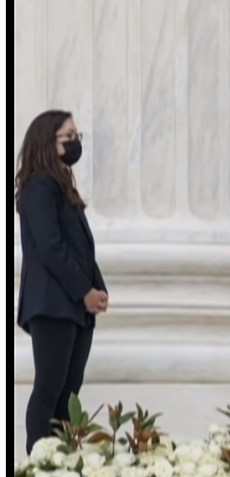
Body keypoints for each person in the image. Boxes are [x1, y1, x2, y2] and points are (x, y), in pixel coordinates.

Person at [15, 110, 109, 453]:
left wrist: (97, 288)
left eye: (77, 136)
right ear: (46, 140)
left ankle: (62, 458)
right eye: (68, 136)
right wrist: (84, 292)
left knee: (69, 392)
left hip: (74, 304)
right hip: (53, 303)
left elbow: (82, 248)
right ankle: (40, 460)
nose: (75, 143)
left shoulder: (61, 186)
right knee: (49, 388)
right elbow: (51, 247)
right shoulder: (39, 185)